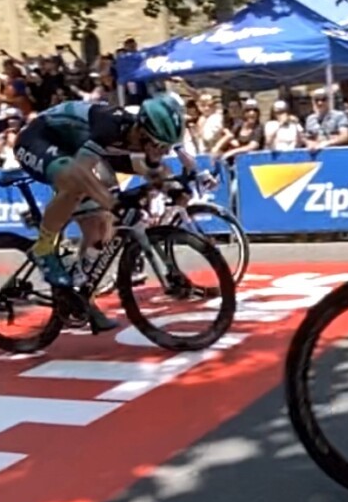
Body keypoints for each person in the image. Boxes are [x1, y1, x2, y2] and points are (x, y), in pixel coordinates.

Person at [11, 94, 211, 331]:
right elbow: (82, 171)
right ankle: (43, 247)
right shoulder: (110, 126)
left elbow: (150, 168)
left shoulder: (138, 137)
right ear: (140, 131)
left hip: (76, 146)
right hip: (38, 139)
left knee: (102, 228)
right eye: (158, 145)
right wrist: (114, 204)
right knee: (74, 181)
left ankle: (82, 296)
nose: (161, 151)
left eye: (165, 147)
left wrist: (173, 188)